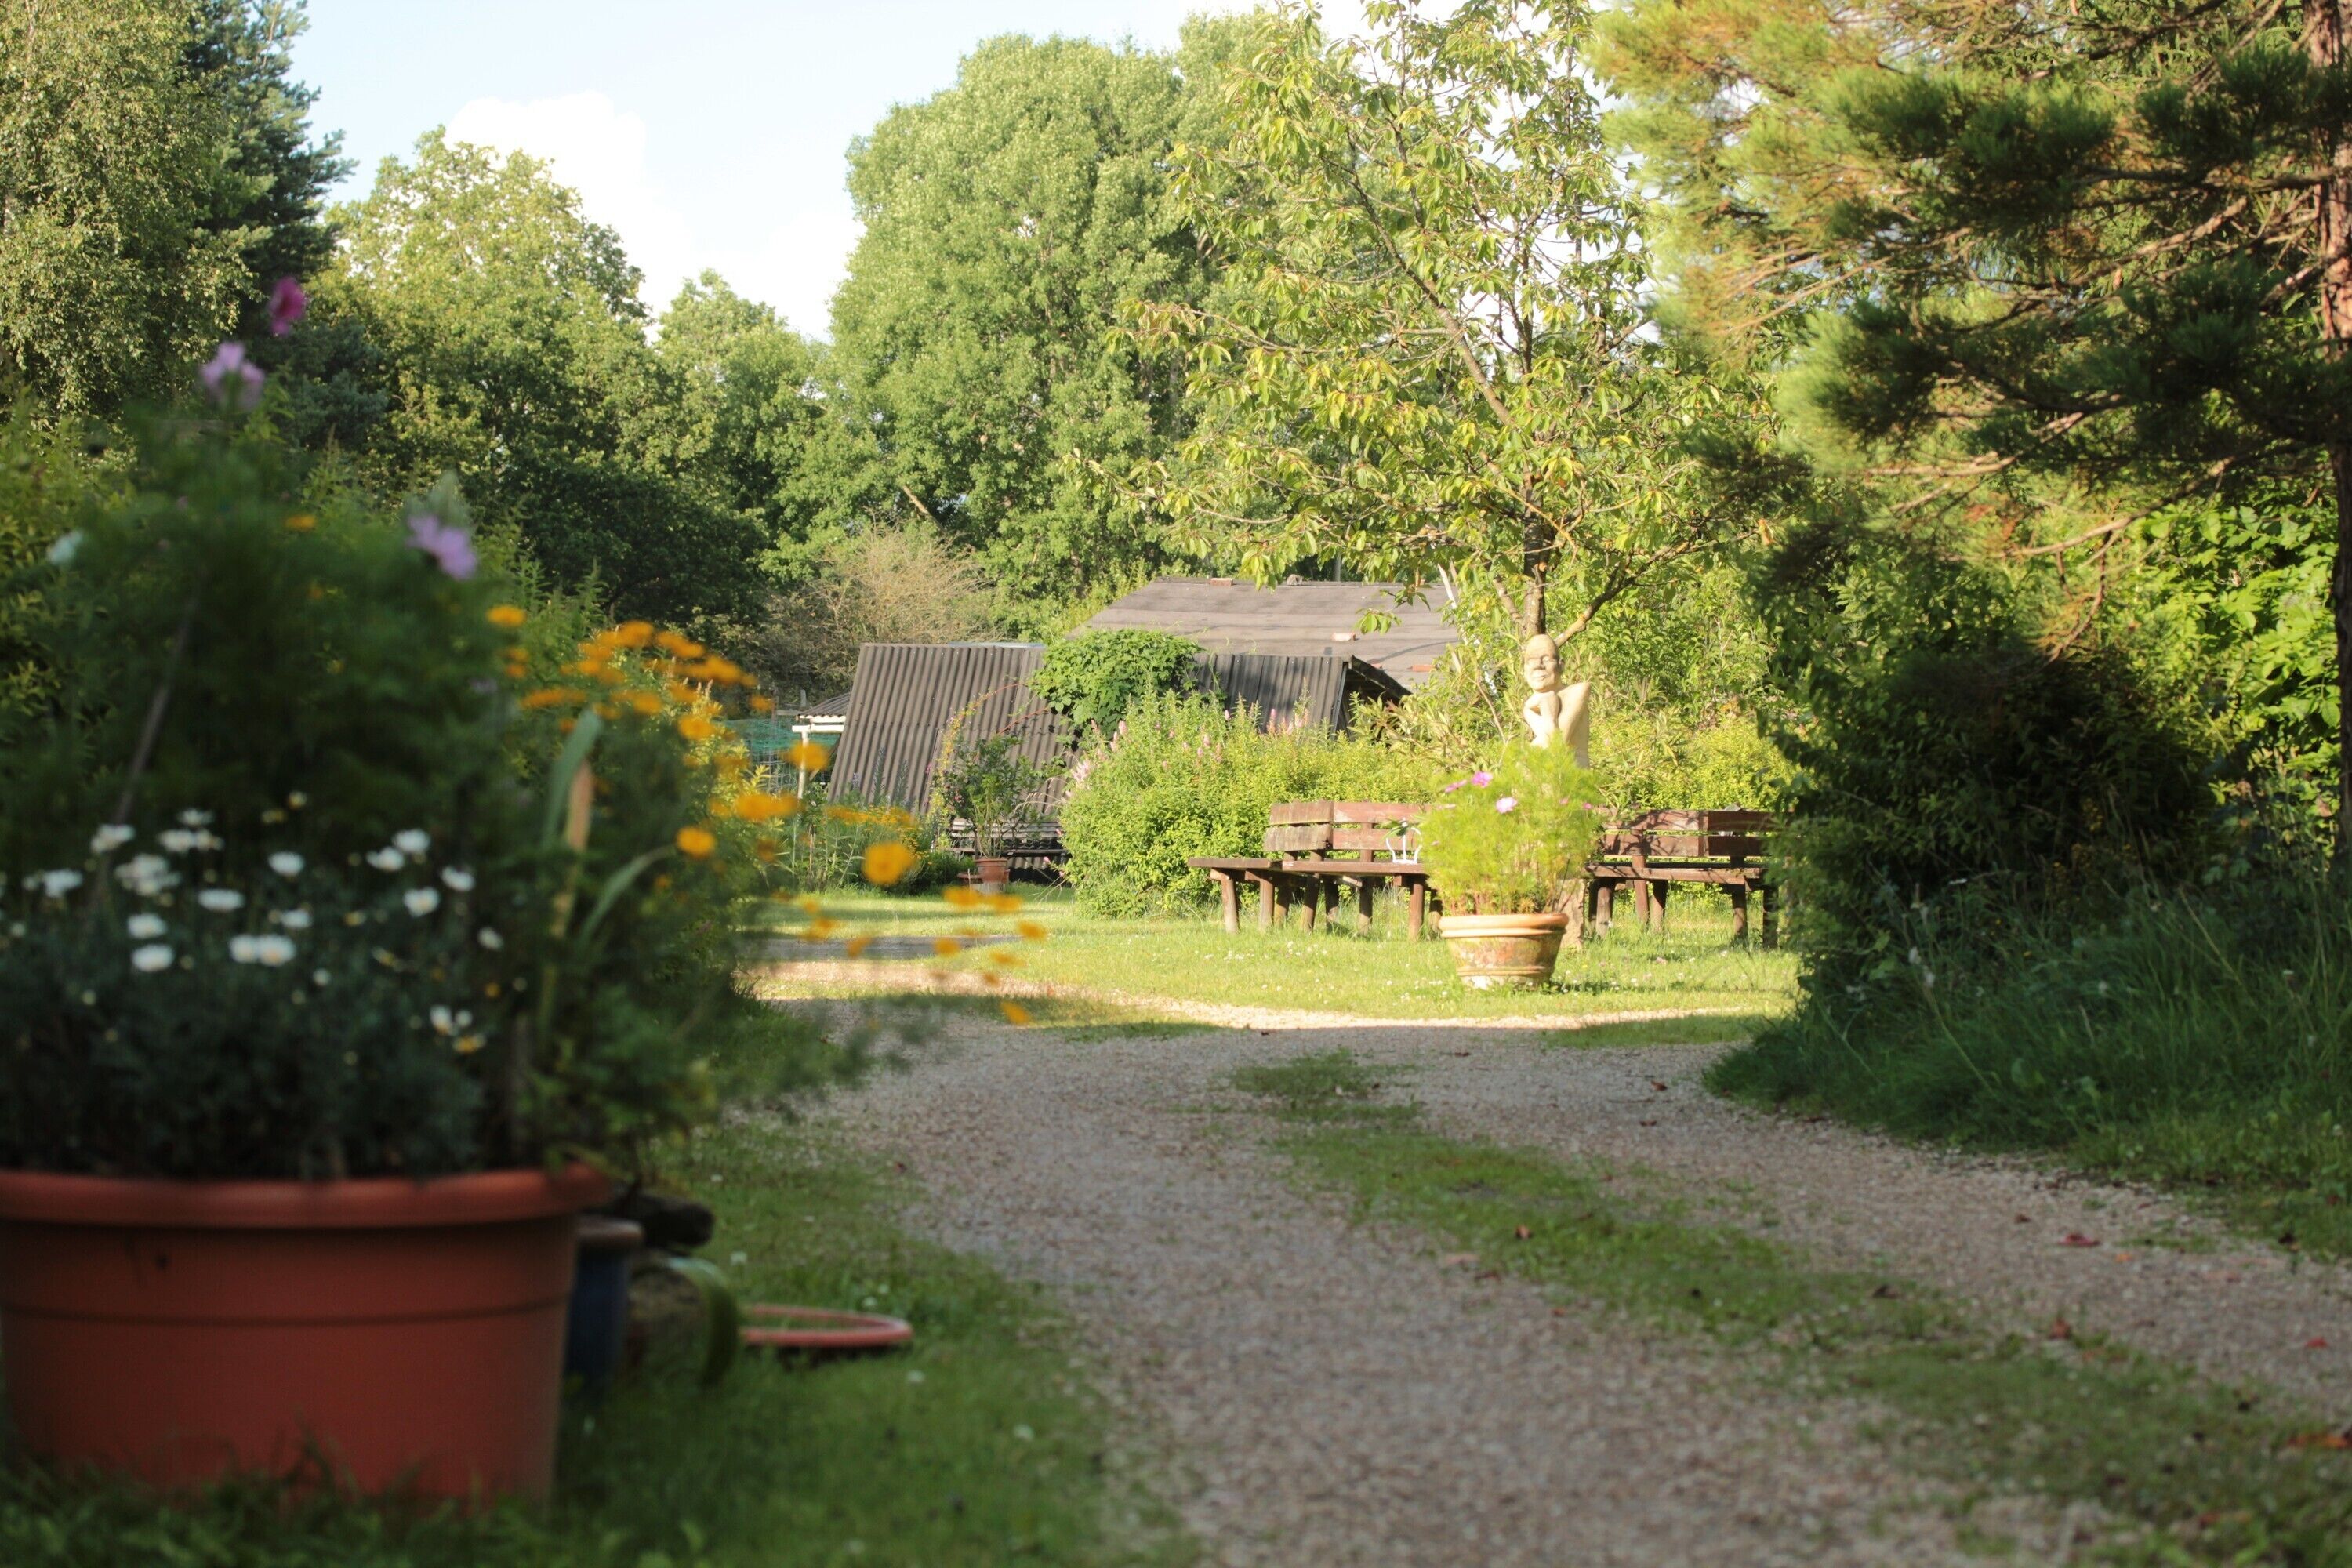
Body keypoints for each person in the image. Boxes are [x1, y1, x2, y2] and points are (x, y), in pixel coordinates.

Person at [1519, 633, 1589, 766]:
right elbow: (1545, 743)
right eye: (1532, 661)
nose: (1538, 666)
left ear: (1560, 665)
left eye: (1546, 660)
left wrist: (1550, 715)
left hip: (1571, 779)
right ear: (1524, 670)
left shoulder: (1578, 691)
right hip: (1539, 781)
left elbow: (1557, 747)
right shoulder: (1529, 707)